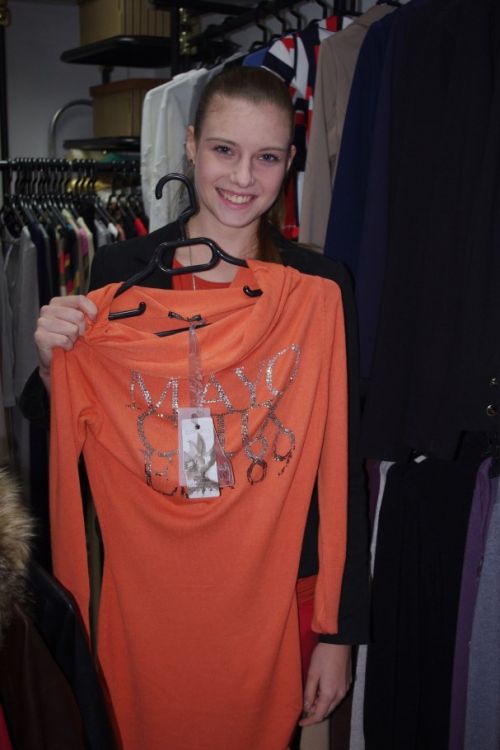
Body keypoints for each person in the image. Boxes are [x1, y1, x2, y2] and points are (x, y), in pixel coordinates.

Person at [29, 67, 369, 749]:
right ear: (189, 145)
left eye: (266, 157)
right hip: (158, 594)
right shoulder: (125, 271)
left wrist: (339, 636)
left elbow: (346, 464)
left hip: (282, 588)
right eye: (223, 150)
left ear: (290, 162)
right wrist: (50, 365)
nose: (243, 177)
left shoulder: (318, 288)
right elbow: (62, 425)